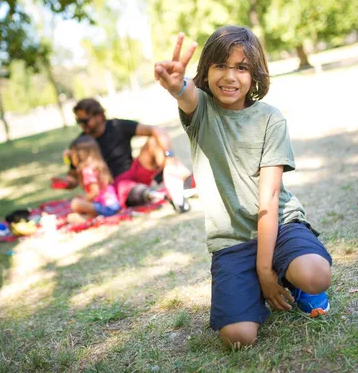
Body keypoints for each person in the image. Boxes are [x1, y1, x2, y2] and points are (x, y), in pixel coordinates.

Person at [154, 26, 332, 348]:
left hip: (278, 226)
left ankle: (293, 281)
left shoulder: (270, 119)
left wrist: (265, 270)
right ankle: (259, 284)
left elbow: (270, 197)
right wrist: (176, 86)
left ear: (255, 75)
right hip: (232, 241)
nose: (230, 76)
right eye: (220, 65)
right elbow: (187, 95)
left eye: (241, 67)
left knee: (316, 274)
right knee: (238, 337)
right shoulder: (202, 110)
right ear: (205, 71)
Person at [64, 98, 192, 213]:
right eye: (78, 121)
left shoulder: (117, 126)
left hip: (134, 171)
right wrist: (67, 177)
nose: (82, 125)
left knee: (155, 141)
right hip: (115, 185)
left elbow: (158, 130)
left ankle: (182, 180)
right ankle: (160, 195)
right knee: (128, 189)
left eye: (84, 121)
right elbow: (73, 178)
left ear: (99, 115)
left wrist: (170, 158)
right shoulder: (82, 143)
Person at [67, 135, 121, 220]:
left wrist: (84, 199)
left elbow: (95, 192)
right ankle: (90, 217)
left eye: (72, 154)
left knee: (75, 203)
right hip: (113, 205)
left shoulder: (88, 170)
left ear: (80, 155)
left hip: (107, 207)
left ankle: (89, 217)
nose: (71, 157)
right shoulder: (96, 165)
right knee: (73, 214)